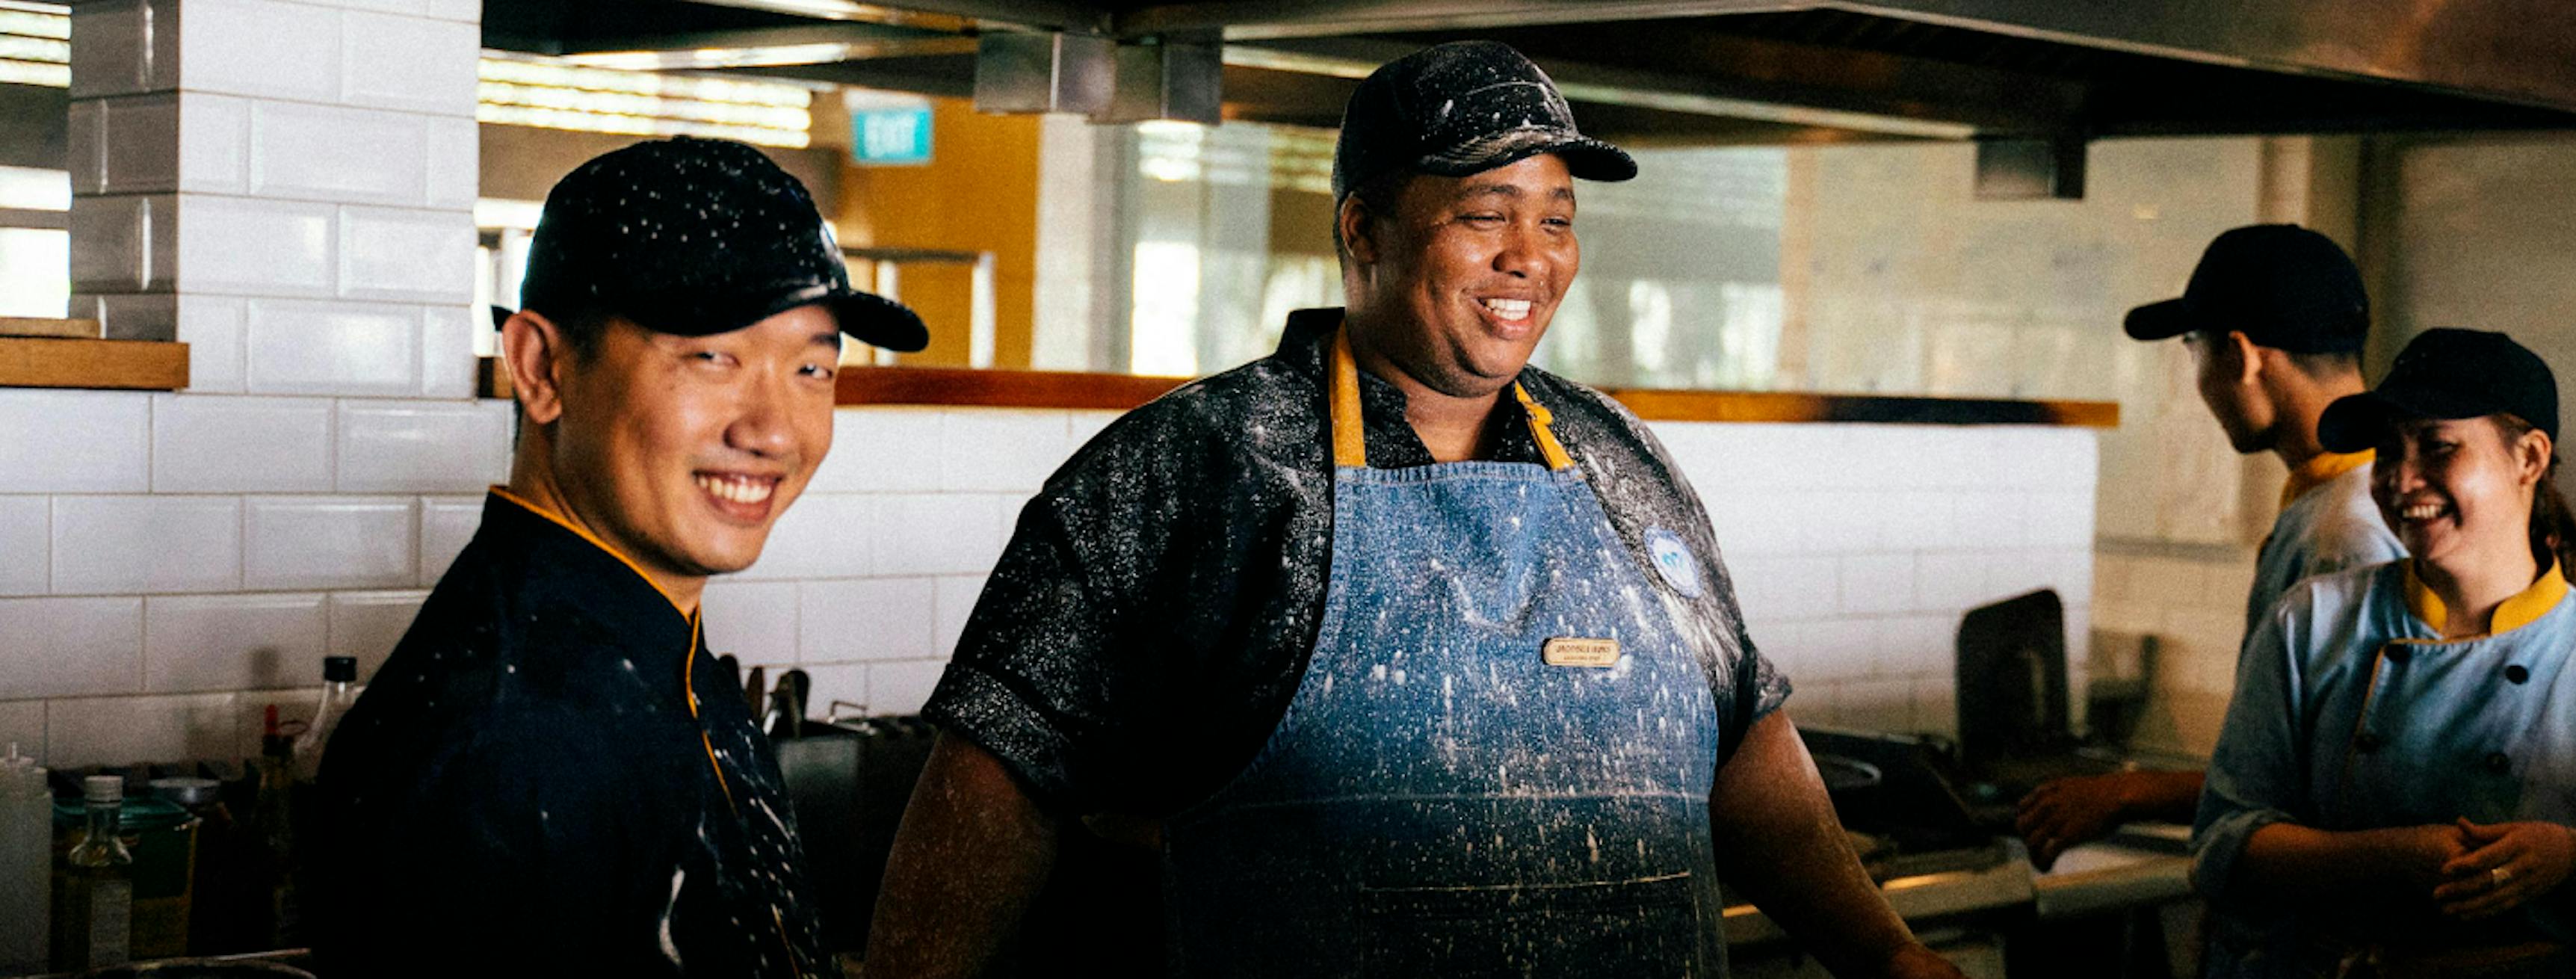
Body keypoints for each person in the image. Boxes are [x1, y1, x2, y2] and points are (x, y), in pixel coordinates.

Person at [866, 41, 1960, 979]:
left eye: (1557, 219)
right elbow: (998, 777)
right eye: (1486, 214)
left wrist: (1891, 956)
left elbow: (1745, 742)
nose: (1529, 258)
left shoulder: (1624, 462)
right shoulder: (1188, 471)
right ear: (1364, 231)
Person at [311, 138, 928, 977]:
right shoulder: (500, 746)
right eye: (713, 356)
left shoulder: (647, 643)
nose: (776, 429)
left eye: (812, 366)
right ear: (541, 366)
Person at [2191, 329, 2576, 979]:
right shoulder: (2313, 624)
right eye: (2387, 451)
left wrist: (2572, 858)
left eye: (2437, 447)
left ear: (2530, 458)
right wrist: (2395, 855)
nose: (2402, 481)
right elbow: (2224, 846)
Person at [2017, 223, 2405, 868]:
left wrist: (2132, 793)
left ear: (2242, 354)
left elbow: (2328, 779)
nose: (2198, 381)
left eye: (2192, 349)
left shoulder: (2349, 536)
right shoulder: (2330, 507)